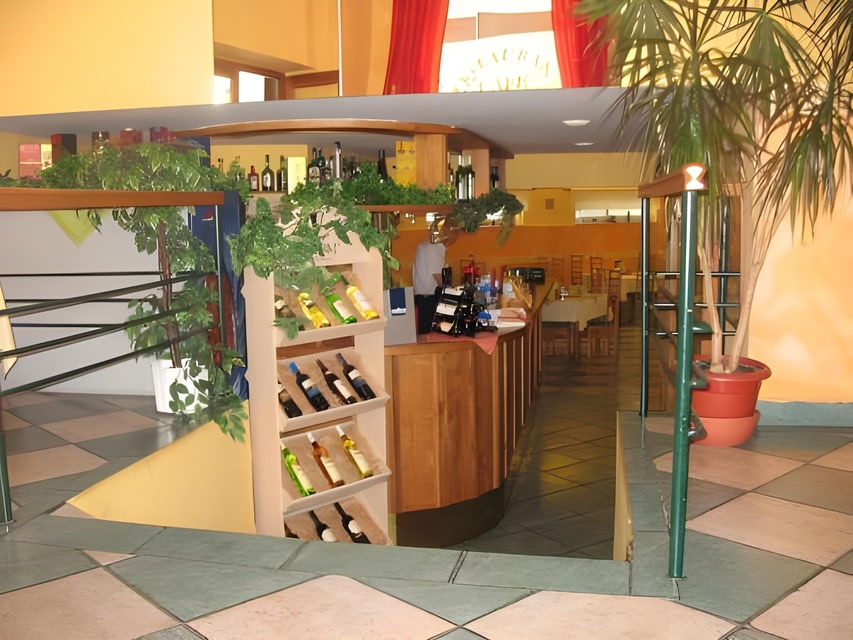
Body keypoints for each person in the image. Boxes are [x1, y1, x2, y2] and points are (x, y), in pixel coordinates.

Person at [413, 236, 447, 334]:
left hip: (420, 295)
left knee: (422, 327)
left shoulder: (421, 248)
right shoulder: (434, 250)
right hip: (430, 297)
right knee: (429, 328)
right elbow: (438, 277)